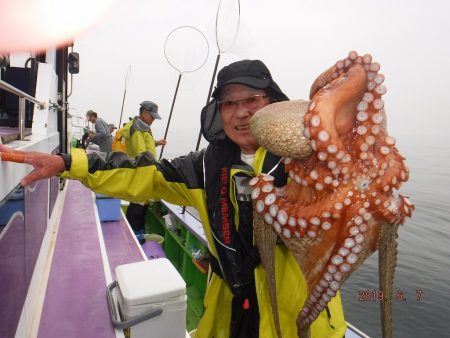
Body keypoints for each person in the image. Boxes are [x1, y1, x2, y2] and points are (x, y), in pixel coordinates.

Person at [0, 60, 346, 338]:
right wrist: (67, 161)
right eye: (229, 103)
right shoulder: (204, 169)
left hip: (301, 317)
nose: (241, 112)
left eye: (252, 100)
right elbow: (142, 172)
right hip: (229, 309)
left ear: (272, 103)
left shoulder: (307, 162)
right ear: (219, 111)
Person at [122, 101, 167, 237]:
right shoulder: (137, 128)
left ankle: (136, 232)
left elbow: (145, 143)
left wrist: (156, 143)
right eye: (152, 116)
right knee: (138, 206)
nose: (153, 120)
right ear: (144, 113)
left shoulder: (141, 126)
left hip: (143, 172)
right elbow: (141, 152)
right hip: (141, 173)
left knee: (141, 204)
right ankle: (134, 235)